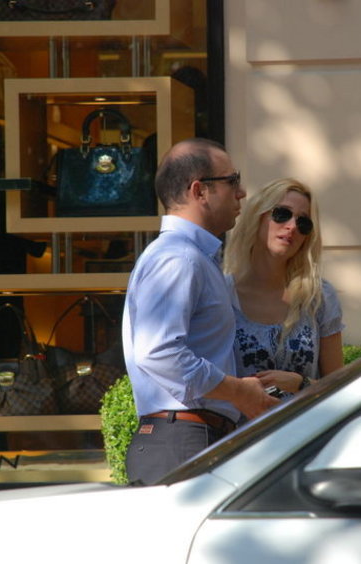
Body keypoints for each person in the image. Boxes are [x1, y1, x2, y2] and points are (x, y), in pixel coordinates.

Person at [122, 138, 279, 485]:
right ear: (200, 191)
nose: (242, 193)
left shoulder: (191, 257)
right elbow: (159, 352)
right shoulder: (179, 258)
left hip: (190, 438)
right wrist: (237, 391)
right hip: (183, 440)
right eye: (233, 181)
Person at [223, 178, 344, 395]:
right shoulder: (222, 294)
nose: (292, 227)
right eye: (282, 214)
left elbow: (339, 389)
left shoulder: (318, 297)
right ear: (258, 217)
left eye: (303, 223)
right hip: (240, 418)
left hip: (305, 417)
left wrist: (300, 384)